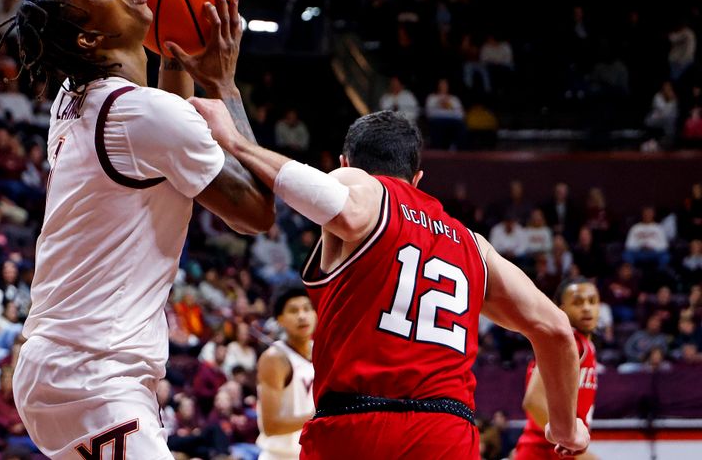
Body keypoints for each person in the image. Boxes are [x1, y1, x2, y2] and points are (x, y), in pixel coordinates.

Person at [0, 0, 275, 459]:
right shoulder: (139, 116)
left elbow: (168, 123)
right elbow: (257, 214)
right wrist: (224, 86)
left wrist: (175, 50)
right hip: (92, 379)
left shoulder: (73, 100)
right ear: (90, 39)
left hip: (63, 369)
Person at [185, 102, 590, 458]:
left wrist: (235, 142)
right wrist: (565, 426)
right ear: (418, 178)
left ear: (344, 164)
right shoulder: (475, 245)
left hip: (358, 425)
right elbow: (554, 328)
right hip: (447, 432)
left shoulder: (360, 185)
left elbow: (347, 213)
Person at [515, 280, 600, 460]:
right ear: (562, 310)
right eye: (577, 302)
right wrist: (572, 443)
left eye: (592, 301)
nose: (586, 308)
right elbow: (534, 401)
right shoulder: (567, 343)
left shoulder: (583, 345)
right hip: (542, 452)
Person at [256, 287, 316, 460]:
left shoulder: (321, 352)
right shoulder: (274, 358)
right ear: (280, 319)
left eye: (307, 308)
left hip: (310, 453)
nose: (302, 315)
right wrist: (319, 416)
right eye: (293, 310)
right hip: (279, 456)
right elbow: (271, 425)